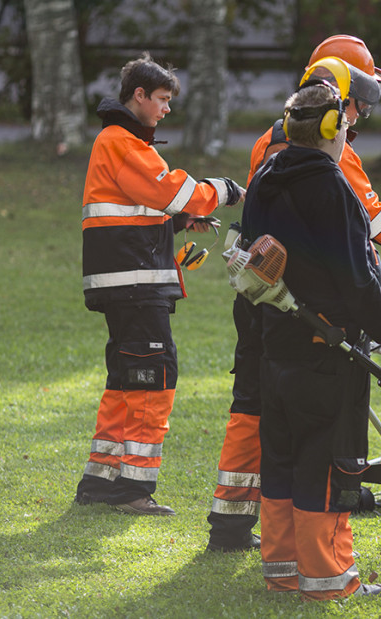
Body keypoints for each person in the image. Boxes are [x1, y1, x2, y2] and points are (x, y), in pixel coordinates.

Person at [205, 34, 381, 553]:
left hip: (264, 302)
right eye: (360, 101)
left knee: (256, 408)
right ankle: (316, 557)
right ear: (338, 101)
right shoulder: (330, 158)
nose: (360, 115)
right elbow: (376, 226)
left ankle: (237, 523)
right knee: (314, 444)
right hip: (315, 317)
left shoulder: (269, 144)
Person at [242, 79, 381, 601]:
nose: (348, 131)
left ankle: (281, 571)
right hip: (328, 351)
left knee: (280, 458)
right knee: (325, 465)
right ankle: (328, 581)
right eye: (345, 123)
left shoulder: (266, 174)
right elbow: (359, 282)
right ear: (331, 127)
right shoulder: (332, 185)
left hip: (277, 345)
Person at [74, 52, 244, 516]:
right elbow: (169, 190)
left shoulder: (120, 142)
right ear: (140, 96)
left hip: (124, 281)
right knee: (154, 380)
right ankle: (133, 490)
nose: (167, 110)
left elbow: (138, 209)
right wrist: (224, 190)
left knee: (125, 382)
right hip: (134, 284)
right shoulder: (121, 142)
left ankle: (100, 479)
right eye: (163, 100)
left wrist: (179, 224)